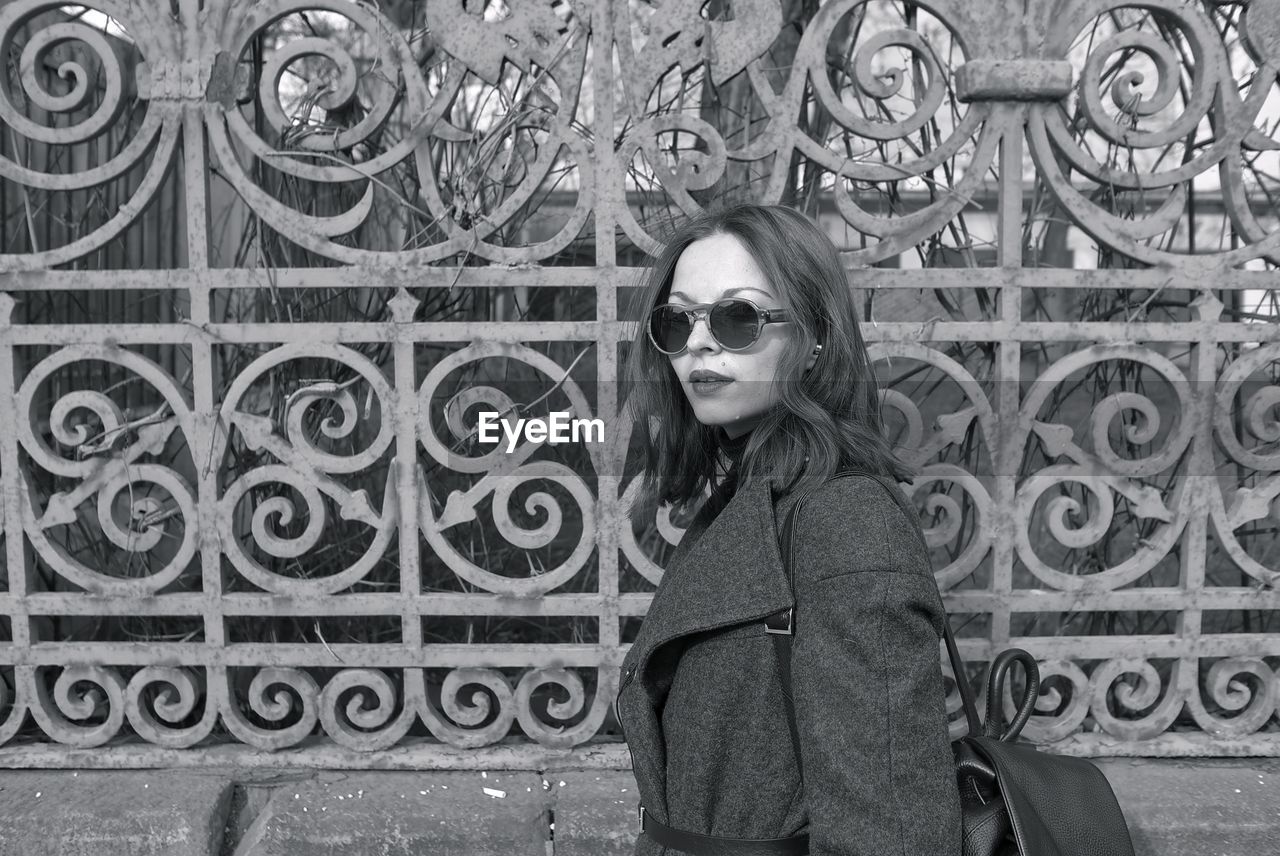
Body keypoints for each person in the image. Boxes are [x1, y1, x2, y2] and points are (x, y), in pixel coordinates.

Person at [617, 202, 963, 856]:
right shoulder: (752, 497)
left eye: (737, 317)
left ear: (816, 338)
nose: (699, 342)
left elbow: (889, 833)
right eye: (677, 319)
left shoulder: (844, 521)